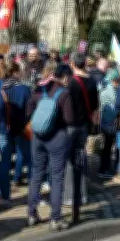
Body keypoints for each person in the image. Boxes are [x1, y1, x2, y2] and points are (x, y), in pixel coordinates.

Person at [26, 63, 75, 231]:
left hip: (38, 137)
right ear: (64, 76)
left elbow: (28, 113)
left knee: (36, 175)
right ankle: (55, 218)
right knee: (57, 177)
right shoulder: (64, 93)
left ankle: (31, 214)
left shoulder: (38, 90)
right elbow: (69, 119)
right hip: (57, 138)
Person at [0, 62, 32, 206]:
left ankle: (5, 196)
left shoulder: (0, 91)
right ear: (15, 72)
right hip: (23, 129)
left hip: (4, 130)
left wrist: (3, 123)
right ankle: (34, 196)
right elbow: (31, 110)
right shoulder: (25, 90)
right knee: (29, 159)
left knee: (5, 162)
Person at [64, 54, 96, 219]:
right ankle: (82, 194)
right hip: (84, 125)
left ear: (72, 64)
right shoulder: (91, 81)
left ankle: (70, 197)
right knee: (81, 157)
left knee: (70, 161)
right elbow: (96, 108)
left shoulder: (70, 82)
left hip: (70, 125)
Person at [97, 68, 120, 179]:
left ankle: (104, 168)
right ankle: (110, 168)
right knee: (113, 146)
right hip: (112, 122)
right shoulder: (112, 90)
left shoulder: (103, 88)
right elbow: (117, 105)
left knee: (107, 146)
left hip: (106, 121)